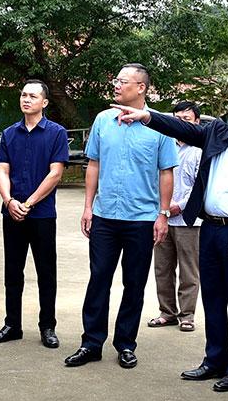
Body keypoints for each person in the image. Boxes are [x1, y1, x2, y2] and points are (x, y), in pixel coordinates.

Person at [113, 80, 228, 393]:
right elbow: (181, 128)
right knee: (213, 299)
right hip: (209, 230)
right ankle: (215, 359)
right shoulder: (217, 134)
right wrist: (146, 116)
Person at [64, 63, 176, 370]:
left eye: (123, 81)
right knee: (98, 278)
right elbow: (94, 165)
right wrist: (88, 207)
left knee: (134, 283)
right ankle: (91, 343)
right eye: (116, 79)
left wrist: (163, 214)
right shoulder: (103, 120)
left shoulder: (160, 125)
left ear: (141, 87)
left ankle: (126, 344)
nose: (116, 85)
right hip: (105, 216)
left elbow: (166, 172)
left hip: (142, 218)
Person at [0, 80, 70, 349]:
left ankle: (48, 326)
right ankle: (12, 325)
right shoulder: (9, 133)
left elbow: (55, 173)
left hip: (42, 214)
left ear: (44, 102)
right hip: (12, 213)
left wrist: (29, 203)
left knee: (46, 272)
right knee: (13, 272)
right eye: (23, 95)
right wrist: (9, 201)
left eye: (33, 96)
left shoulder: (56, 133)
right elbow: (2, 171)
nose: (26, 99)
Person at [146, 101, 204, 333]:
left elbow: (200, 186)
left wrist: (178, 206)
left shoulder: (199, 150)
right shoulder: (164, 145)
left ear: (197, 122)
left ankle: (187, 315)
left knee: (189, 269)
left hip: (188, 221)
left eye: (186, 120)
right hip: (162, 218)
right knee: (162, 267)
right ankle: (167, 312)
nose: (180, 124)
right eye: (176, 119)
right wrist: (161, 209)